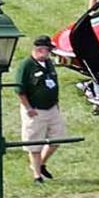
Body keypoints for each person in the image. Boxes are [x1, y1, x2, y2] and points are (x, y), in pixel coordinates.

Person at [16, 36, 68, 184]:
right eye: (48, 50)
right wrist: (28, 108)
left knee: (57, 138)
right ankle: (37, 175)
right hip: (35, 110)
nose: (49, 53)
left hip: (52, 108)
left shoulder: (49, 64)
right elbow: (20, 90)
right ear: (39, 50)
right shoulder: (26, 66)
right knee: (34, 144)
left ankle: (41, 164)